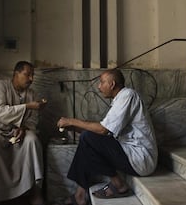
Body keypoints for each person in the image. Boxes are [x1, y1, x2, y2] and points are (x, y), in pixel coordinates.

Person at [56, 69, 158, 205]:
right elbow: (102, 133)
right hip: (129, 152)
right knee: (86, 139)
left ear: (112, 84)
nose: (99, 86)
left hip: (141, 158)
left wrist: (71, 121)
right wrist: (74, 127)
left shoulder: (128, 95)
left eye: (102, 82)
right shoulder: (119, 99)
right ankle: (80, 195)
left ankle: (118, 184)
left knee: (88, 137)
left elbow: (103, 130)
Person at [0, 61, 46, 205]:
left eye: (32, 75)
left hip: (20, 132)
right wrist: (27, 106)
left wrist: (23, 128)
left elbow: (32, 120)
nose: (31, 78)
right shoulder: (0, 86)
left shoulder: (32, 94)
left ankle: (35, 193)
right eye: (27, 74)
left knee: (32, 140)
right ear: (16, 73)